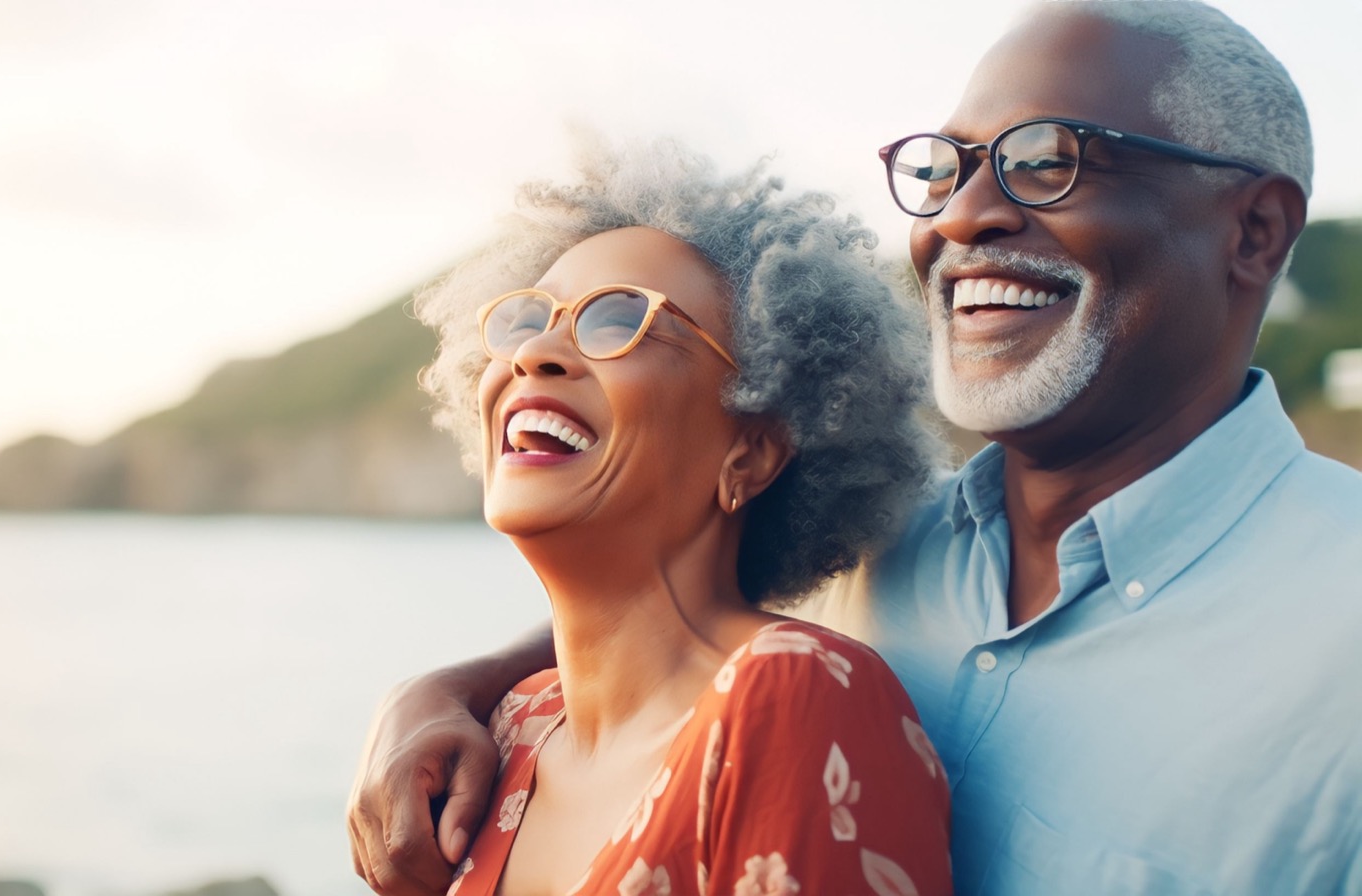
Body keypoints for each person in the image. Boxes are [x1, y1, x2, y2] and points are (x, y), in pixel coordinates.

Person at [349, 3, 1362, 894]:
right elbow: (655, 625)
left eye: (1048, 159)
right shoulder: (865, 549)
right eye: (948, 166)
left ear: (1255, 230)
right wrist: (450, 686)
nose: (963, 214)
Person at [353, 142, 952, 896]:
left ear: (751, 453)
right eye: (528, 320)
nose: (539, 351)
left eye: (620, 320)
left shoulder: (794, 697)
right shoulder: (508, 729)